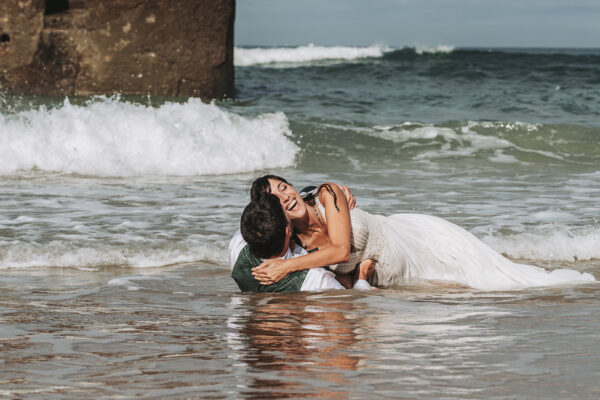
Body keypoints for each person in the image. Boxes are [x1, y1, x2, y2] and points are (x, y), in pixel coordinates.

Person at [249, 175, 596, 291]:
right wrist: (360, 278)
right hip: (388, 275)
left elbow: (340, 250)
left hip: (414, 241)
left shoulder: (328, 194)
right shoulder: (291, 241)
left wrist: (285, 267)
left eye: (284, 185)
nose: (286, 194)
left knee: (497, 281)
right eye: (275, 196)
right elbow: (338, 276)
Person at [229, 192, 373, 292]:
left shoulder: (236, 248)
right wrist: (361, 277)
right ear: (288, 231)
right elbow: (353, 307)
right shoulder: (316, 279)